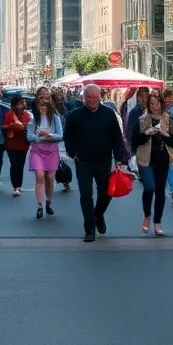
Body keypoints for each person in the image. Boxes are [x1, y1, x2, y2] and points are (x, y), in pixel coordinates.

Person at [63, 83, 128, 242]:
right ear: (84, 98)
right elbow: (68, 136)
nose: (92, 100)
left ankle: (98, 214)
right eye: (88, 97)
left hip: (103, 160)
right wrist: (73, 153)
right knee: (86, 195)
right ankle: (90, 229)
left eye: (94, 97)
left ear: (100, 98)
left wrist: (119, 158)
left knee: (106, 193)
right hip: (83, 161)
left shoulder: (108, 114)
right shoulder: (75, 115)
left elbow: (117, 138)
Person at [133, 91, 173, 236]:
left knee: (160, 192)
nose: (154, 107)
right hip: (145, 160)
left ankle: (157, 222)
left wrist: (165, 135)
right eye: (151, 104)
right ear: (148, 105)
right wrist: (145, 134)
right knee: (149, 187)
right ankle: (147, 216)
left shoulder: (167, 119)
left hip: (162, 160)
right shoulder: (142, 119)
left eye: (157, 103)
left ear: (161, 103)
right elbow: (134, 141)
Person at [27, 94, 64, 218]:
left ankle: (48, 201)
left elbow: (60, 135)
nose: (42, 108)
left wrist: (49, 134)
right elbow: (29, 136)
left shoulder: (55, 118)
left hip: (51, 150)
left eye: (45, 105)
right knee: (40, 176)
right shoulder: (33, 120)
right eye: (40, 105)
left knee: (49, 177)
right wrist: (38, 136)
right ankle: (39, 205)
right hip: (37, 150)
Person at [2, 94, 32, 195]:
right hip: (11, 143)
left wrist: (25, 128)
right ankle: (16, 186)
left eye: (23, 103)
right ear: (15, 104)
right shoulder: (9, 114)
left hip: (23, 144)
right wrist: (11, 125)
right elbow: (4, 126)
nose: (22, 105)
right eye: (20, 103)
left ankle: (18, 185)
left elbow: (30, 128)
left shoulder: (27, 115)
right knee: (14, 164)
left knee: (20, 165)